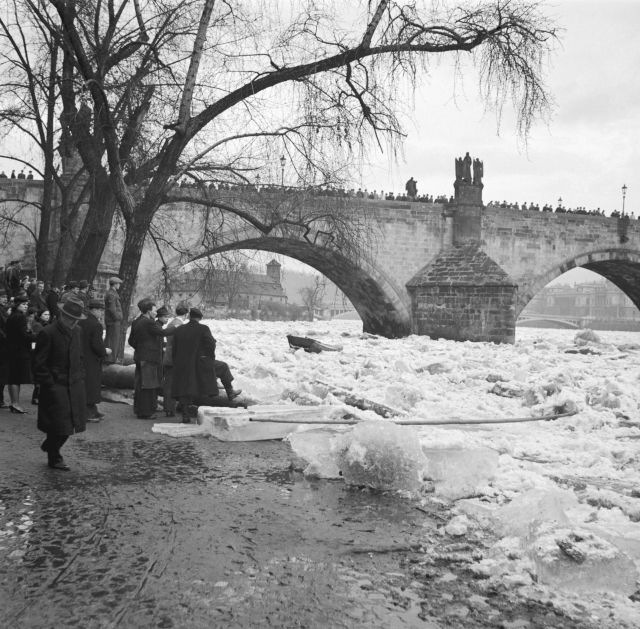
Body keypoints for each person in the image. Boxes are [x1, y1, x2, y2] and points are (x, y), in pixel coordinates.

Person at [33, 299, 87, 471]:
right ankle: (54, 456)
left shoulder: (78, 331)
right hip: (56, 386)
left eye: (76, 319)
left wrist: (81, 373)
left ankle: (50, 446)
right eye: (71, 318)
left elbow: (79, 355)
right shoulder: (48, 333)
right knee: (58, 424)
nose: (74, 322)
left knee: (71, 424)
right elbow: (38, 364)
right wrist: (49, 382)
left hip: (74, 383)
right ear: (62, 316)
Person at [128, 298, 174, 419]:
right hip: (149, 359)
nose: (155, 313)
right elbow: (163, 333)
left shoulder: (136, 322)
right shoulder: (149, 322)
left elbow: (131, 341)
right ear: (148, 311)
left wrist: (141, 348)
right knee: (148, 386)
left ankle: (139, 410)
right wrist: (177, 327)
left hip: (139, 356)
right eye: (154, 310)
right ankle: (146, 412)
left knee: (139, 384)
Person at [171, 308, 217, 423]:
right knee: (199, 387)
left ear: (189, 317)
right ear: (200, 318)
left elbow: (174, 348)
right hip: (197, 364)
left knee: (184, 388)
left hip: (181, 363)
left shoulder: (180, 329)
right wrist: (208, 357)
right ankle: (202, 413)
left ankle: (185, 415)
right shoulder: (203, 328)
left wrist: (175, 361)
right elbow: (211, 344)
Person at [79, 299, 111, 421]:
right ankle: (88, 413)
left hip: (83, 357)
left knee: (87, 384)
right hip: (92, 359)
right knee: (92, 385)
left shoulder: (82, 323)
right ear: (94, 310)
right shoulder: (96, 325)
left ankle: (92, 409)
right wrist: (105, 351)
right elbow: (97, 345)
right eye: (100, 310)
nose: (101, 313)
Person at [5, 295, 35, 413]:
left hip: (11, 350)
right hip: (19, 351)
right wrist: (35, 337)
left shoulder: (12, 316)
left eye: (26, 304)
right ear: (17, 305)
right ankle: (15, 403)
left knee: (13, 377)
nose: (26, 306)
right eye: (23, 304)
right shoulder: (20, 317)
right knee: (16, 377)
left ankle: (14, 402)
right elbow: (23, 335)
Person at [162, 304, 188, 417]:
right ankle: (170, 409)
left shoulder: (170, 323)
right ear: (186, 314)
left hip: (168, 356)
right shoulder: (179, 325)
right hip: (174, 358)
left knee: (169, 384)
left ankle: (169, 408)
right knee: (171, 384)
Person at [104, 276, 123, 363]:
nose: (119, 285)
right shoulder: (111, 294)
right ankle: (110, 359)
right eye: (118, 283)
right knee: (112, 340)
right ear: (115, 284)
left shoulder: (112, 293)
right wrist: (118, 317)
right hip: (113, 321)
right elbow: (112, 309)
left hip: (113, 321)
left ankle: (111, 358)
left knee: (113, 339)